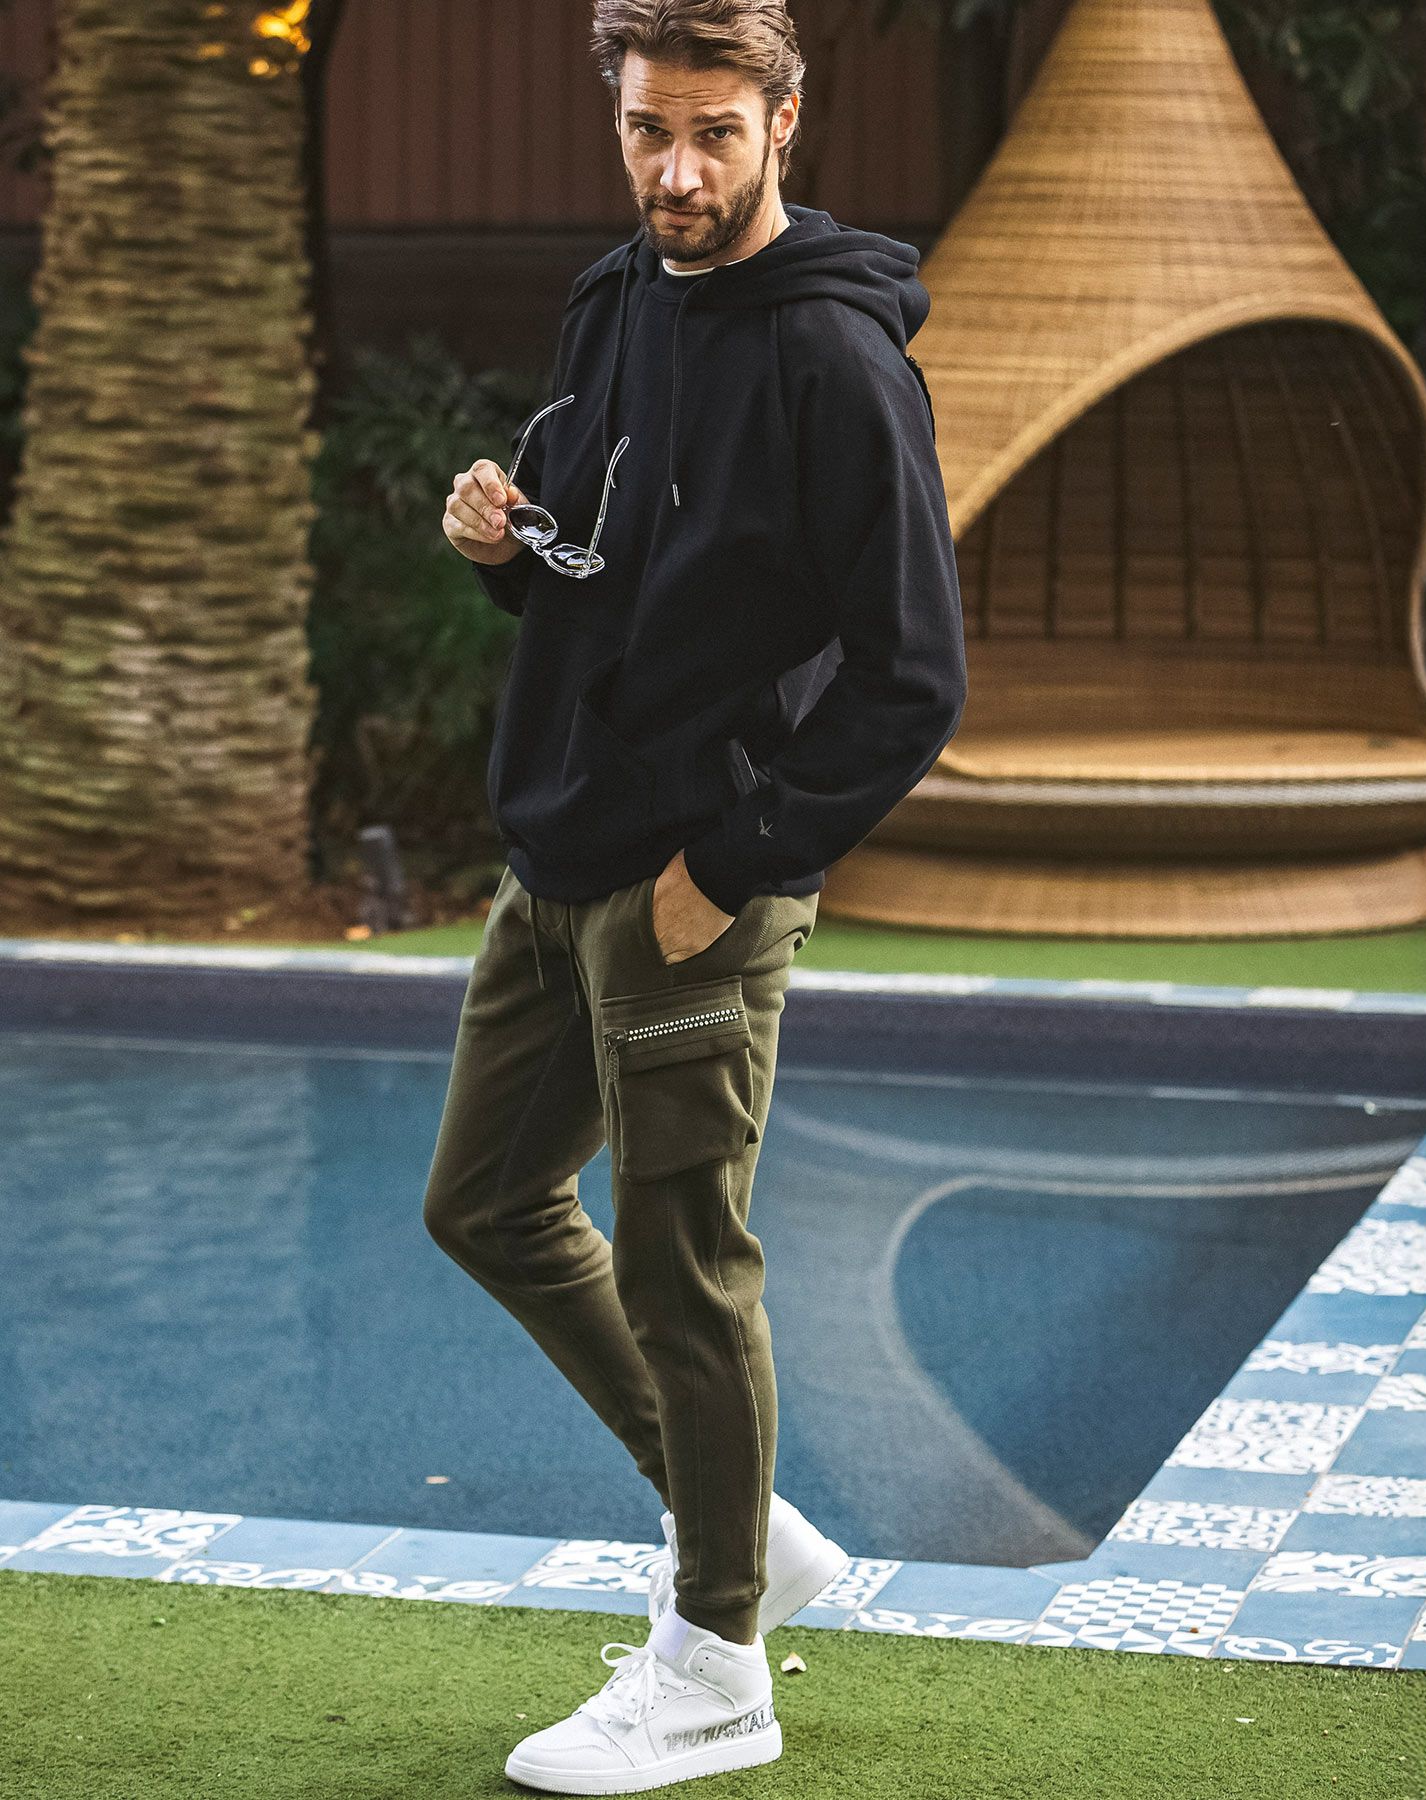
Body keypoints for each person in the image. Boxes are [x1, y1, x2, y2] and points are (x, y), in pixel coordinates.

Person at [424, 2, 967, 1790]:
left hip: (694, 874)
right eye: (649, 129)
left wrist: (724, 869)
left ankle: (719, 1666)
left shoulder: (837, 358)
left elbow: (913, 678)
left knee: (685, 1270)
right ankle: (744, 1530)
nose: (676, 169)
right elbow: (605, 558)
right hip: (563, 845)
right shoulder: (616, 297)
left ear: (784, 122)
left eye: (714, 132)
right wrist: (506, 542)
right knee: (486, 1201)